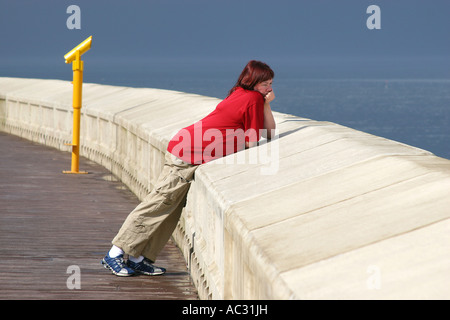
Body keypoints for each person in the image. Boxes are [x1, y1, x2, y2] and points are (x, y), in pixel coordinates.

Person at [101, 60, 276, 276]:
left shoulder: (240, 92)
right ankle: (115, 253)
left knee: (170, 210)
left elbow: (264, 133)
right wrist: (264, 103)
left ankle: (138, 258)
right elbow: (257, 139)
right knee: (156, 206)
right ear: (254, 82)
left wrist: (266, 103)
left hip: (187, 150)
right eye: (265, 84)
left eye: (270, 84)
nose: (269, 89)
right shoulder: (252, 99)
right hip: (186, 156)